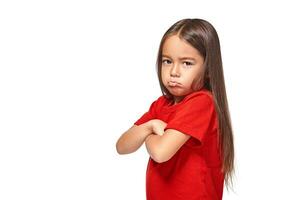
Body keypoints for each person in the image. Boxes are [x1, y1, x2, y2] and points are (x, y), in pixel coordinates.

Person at [116, 18, 235, 200]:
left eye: (187, 63)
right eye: (167, 61)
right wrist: (150, 126)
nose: (174, 71)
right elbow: (122, 146)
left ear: (208, 68)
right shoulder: (161, 104)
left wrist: (146, 134)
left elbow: (161, 152)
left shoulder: (202, 102)